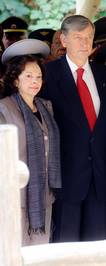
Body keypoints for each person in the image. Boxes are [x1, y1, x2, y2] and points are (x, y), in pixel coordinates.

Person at [40, 15, 106, 242]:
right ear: (63, 40)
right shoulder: (47, 75)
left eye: (89, 38)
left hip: (101, 178)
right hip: (65, 180)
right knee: (66, 250)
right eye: (78, 38)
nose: (85, 44)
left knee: (98, 249)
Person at [0, 54, 61, 246]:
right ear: (16, 79)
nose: (35, 81)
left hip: (43, 194)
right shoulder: (4, 108)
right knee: (16, 249)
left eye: (38, 76)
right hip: (14, 194)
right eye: (28, 76)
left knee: (40, 251)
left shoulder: (46, 106)